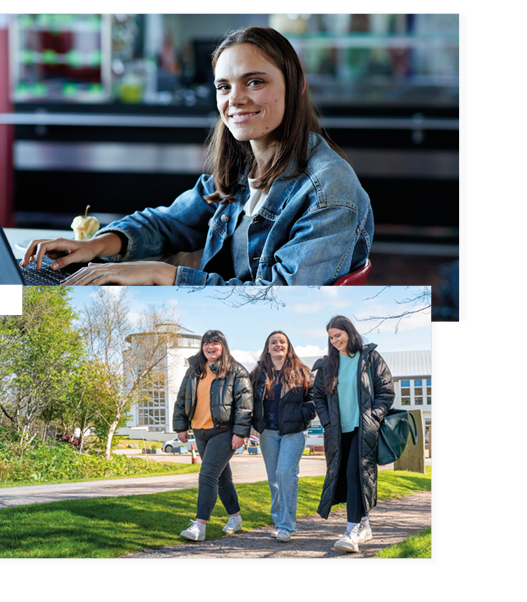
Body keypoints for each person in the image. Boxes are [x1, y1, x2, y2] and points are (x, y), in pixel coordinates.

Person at [20, 26, 372, 286]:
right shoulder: (242, 166)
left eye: (254, 82)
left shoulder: (330, 193)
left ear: (296, 85)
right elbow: (170, 222)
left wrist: (164, 274)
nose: (234, 99)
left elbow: (276, 304)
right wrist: (94, 246)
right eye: (224, 86)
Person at [312, 315, 394, 553]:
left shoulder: (369, 358)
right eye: (331, 337)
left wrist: (373, 418)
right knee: (349, 478)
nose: (335, 340)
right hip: (338, 431)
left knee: (354, 473)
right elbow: (318, 396)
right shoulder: (328, 364)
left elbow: (386, 392)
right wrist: (327, 423)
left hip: (363, 428)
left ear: (350, 331)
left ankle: (351, 532)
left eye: (338, 335)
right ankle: (365, 526)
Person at [172, 330, 253, 541]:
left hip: (224, 431)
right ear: (202, 347)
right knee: (222, 478)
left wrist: (239, 433)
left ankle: (200, 526)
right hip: (200, 431)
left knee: (207, 475)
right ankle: (235, 517)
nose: (210, 347)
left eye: (215, 343)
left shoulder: (236, 371)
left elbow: (245, 406)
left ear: (223, 346)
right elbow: (182, 399)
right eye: (206, 343)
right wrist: (181, 427)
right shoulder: (193, 371)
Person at [249, 331, 316, 542]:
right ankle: (279, 523)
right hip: (268, 432)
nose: (278, 345)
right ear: (267, 347)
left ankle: (287, 526)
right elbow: (247, 401)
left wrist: (301, 416)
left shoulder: (302, 372)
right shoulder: (257, 373)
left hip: (294, 432)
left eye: (282, 342)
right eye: (273, 342)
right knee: (274, 479)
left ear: (288, 346)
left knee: (286, 473)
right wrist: (252, 424)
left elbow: (314, 400)